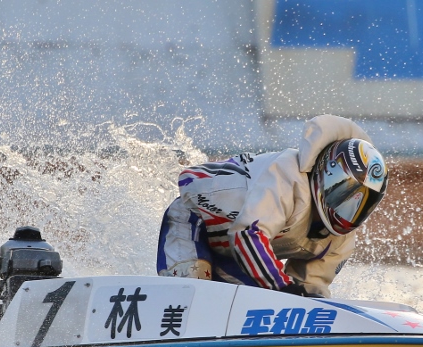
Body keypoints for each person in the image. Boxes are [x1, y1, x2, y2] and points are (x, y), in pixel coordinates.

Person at [156, 114, 388, 298]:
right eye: (344, 190)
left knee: (253, 305)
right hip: (193, 221)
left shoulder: (341, 240)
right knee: (195, 293)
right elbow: (248, 235)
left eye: (362, 203)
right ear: (327, 171)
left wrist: (298, 297)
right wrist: (282, 288)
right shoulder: (288, 176)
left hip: (237, 255)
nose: (349, 208)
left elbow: (309, 292)